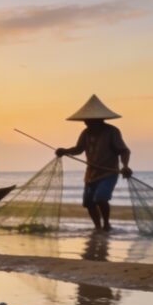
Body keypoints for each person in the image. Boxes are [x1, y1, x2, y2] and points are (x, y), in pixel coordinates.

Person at [55, 94, 132, 231]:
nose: (86, 122)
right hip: (91, 174)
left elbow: (124, 151)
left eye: (89, 120)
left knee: (101, 198)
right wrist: (64, 151)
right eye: (85, 120)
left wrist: (125, 166)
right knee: (88, 203)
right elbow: (78, 149)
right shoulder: (86, 133)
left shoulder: (112, 131)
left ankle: (106, 225)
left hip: (108, 173)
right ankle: (97, 227)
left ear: (99, 119)